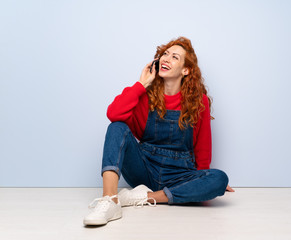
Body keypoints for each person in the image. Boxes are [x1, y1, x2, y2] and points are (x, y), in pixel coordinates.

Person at [83, 36, 234, 226]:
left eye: (174, 57)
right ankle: (110, 201)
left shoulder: (199, 102)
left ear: (186, 70)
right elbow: (113, 114)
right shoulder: (145, 96)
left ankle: (144, 197)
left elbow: (203, 148)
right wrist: (141, 84)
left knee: (219, 178)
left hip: (179, 175)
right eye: (165, 54)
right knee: (117, 127)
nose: (166, 59)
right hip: (144, 170)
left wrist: (205, 182)